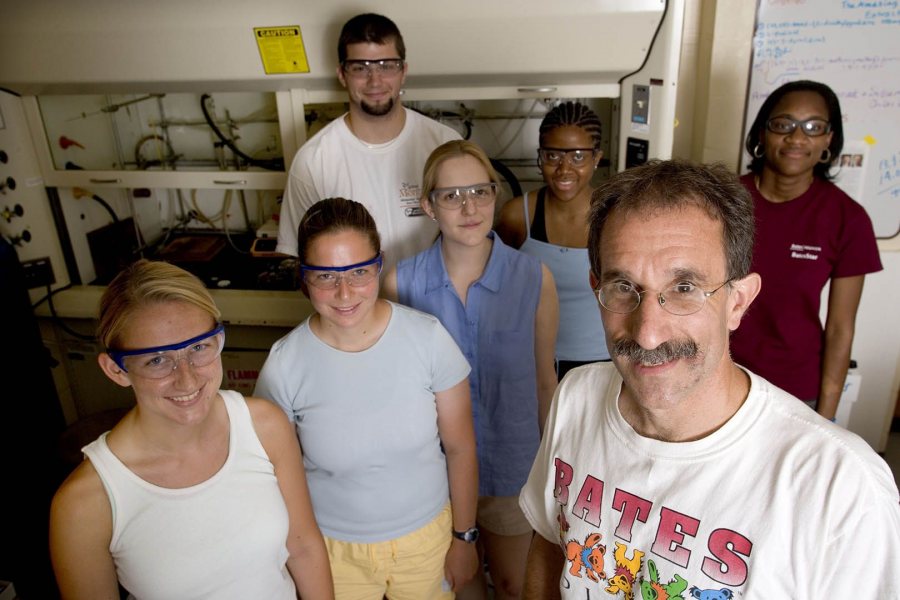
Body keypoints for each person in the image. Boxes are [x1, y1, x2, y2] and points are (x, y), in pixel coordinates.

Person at [519, 160, 900, 597]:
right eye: (623, 286)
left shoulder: (840, 485)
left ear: (737, 302)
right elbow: (552, 543)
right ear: (596, 289)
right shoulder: (577, 396)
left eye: (684, 288)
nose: (647, 333)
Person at [49, 259, 333, 600]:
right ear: (116, 370)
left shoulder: (265, 427)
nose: (187, 378)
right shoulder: (84, 504)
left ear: (220, 340)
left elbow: (303, 547)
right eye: (156, 360)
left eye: (199, 348)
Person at [255, 197, 479, 598]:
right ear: (304, 277)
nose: (344, 293)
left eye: (358, 271)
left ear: (379, 265)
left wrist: (465, 537)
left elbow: (461, 448)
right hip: (331, 551)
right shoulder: (284, 364)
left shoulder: (427, 338)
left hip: (426, 542)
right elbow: (275, 481)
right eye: (325, 276)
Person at [382, 140, 559, 600]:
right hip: (433, 474)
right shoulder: (401, 283)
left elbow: (544, 380)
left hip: (513, 465)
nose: (469, 207)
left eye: (479, 192)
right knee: (457, 588)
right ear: (428, 206)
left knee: (515, 585)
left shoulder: (533, 277)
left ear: (495, 194)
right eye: (451, 196)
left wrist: (555, 470)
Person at [730, 80, 882, 420]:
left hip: (795, 392)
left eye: (813, 127)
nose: (797, 138)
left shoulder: (848, 218)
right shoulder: (723, 201)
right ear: (761, 134)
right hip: (716, 377)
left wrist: (826, 416)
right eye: (783, 125)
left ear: (829, 140)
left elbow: (841, 328)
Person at [276, 12, 461, 270]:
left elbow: (471, 236)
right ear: (342, 74)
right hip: (357, 308)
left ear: (403, 71)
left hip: (437, 305)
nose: (375, 80)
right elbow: (302, 260)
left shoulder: (444, 146)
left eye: (387, 66)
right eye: (360, 68)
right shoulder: (313, 161)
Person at [496, 101, 610, 381]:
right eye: (552, 156)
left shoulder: (614, 216)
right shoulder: (517, 215)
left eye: (578, 157)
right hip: (535, 360)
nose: (564, 170)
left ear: (596, 158)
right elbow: (497, 289)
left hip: (602, 362)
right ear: (540, 157)